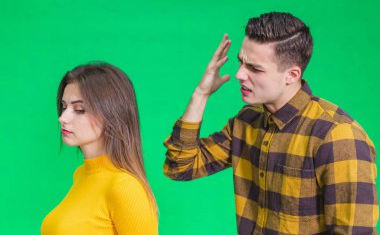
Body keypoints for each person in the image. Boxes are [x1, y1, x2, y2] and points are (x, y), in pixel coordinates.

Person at [163, 12, 378, 234]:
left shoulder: (338, 135)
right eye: (241, 62)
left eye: (255, 68)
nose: (239, 74)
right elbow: (180, 167)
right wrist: (201, 94)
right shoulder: (246, 121)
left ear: (292, 75)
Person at [41, 62, 158, 235]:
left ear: (111, 115)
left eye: (79, 109)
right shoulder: (81, 175)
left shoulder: (125, 188)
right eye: (64, 107)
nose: (63, 118)